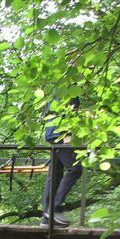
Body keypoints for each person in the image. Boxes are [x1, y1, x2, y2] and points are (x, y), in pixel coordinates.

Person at [40, 97, 82, 228]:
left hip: (53, 132)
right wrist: (67, 133)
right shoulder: (68, 84)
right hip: (59, 133)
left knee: (55, 173)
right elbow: (67, 108)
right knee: (75, 169)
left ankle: (47, 216)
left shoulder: (56, 84)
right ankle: (54, 208)